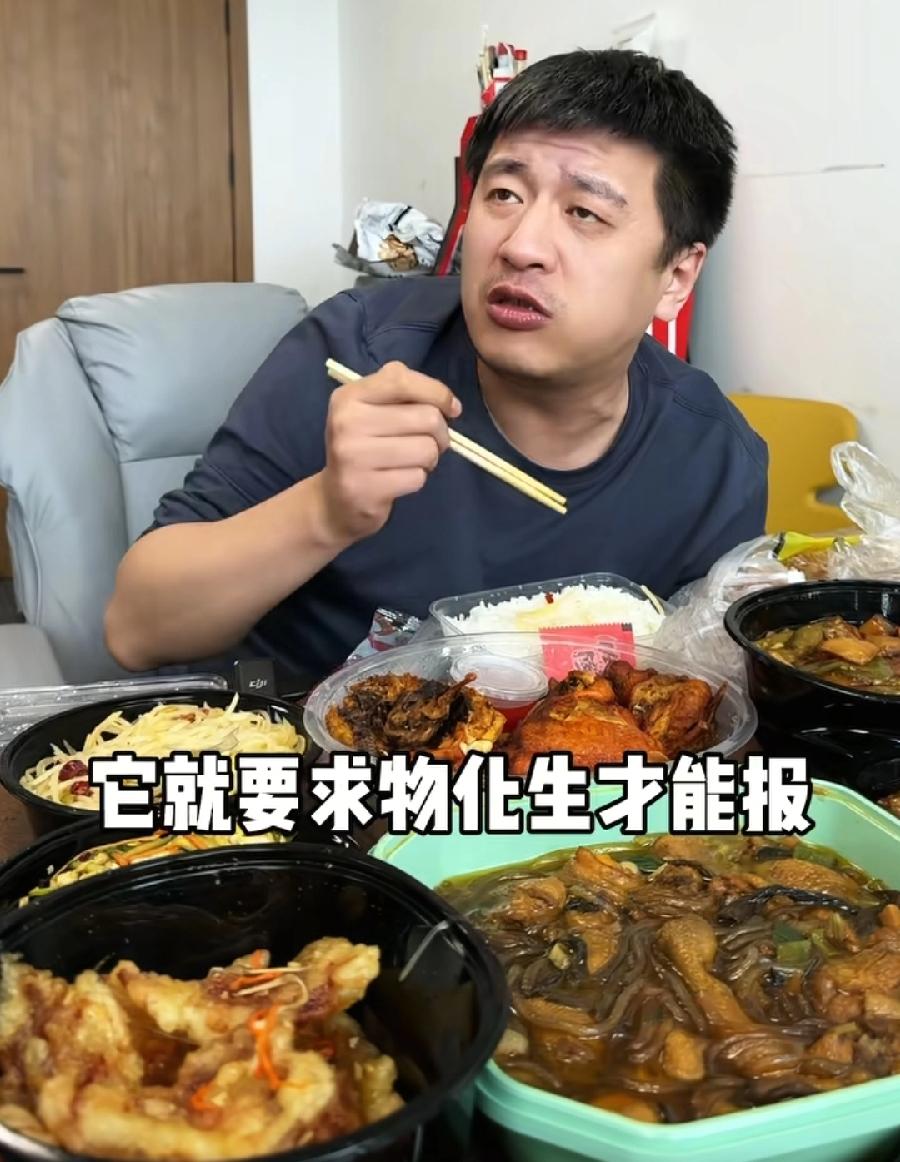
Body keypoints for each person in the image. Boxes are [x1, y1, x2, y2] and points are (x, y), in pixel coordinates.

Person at [104, 48, 767, 682]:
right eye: (503, 194)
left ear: (677, 277)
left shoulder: (710, 456)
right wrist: (327, 510)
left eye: (585, 212)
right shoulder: (357, 354)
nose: (522, 245)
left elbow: (704, 689)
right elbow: (137, 628)